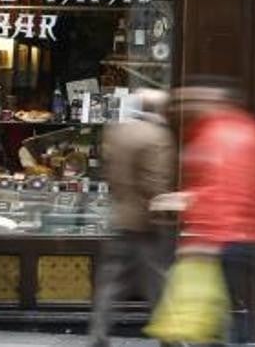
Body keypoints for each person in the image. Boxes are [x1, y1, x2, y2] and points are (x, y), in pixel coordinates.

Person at [175, 77, 255, 346]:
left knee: (214, 310)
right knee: (228, 305)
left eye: (195, 98)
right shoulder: (249, 130)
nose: (189, 104)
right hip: (247, 234)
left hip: (223, 237)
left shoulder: (216, 134)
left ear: (214, 99)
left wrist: (201, 237)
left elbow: (221, 191)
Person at [89, 88, 177, 347]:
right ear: (157, 109)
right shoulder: (157, 136)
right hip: (146, 221)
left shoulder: (118, 132)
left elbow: (109, 172)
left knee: (111, 282)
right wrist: (163, 208)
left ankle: (98, 334)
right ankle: (170, 337)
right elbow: (155, 181)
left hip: (120, 216)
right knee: (157, 282)